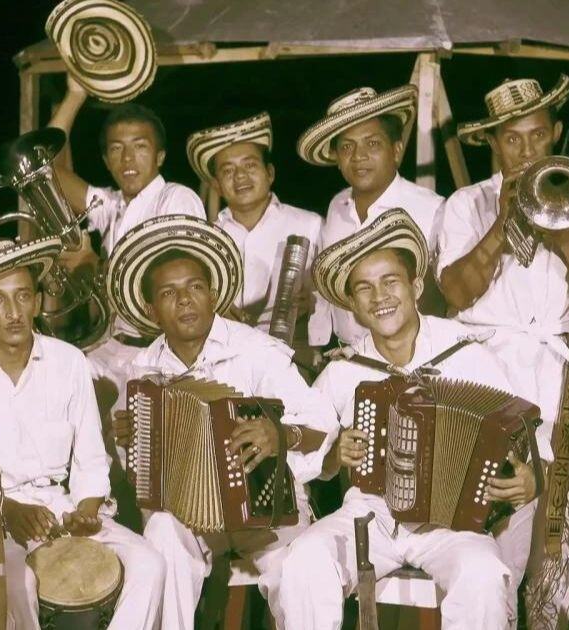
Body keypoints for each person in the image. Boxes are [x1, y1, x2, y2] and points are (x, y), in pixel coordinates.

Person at [267, 209, 536, 629]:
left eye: (390, 281)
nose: (380, 297)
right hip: (370, 518)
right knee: (303, 559)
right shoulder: (344, 369)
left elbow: (525, 441)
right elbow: (303, 451)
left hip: (451, 523)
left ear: (415, 286)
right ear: (353, 307)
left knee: (483, 575)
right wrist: (336, 454)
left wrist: (528, 478)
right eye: (364, 289)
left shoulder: (467, 354)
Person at [102, 214, 336, 629]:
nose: (186, 300)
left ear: (212, 295)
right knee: (161, 532)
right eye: (169, 293)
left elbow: (321, 421)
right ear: (152, 309)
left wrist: (280, 433)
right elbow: (141, 473)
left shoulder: (257, 350)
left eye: (195, 287)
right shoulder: (143, 368)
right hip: (191, 511)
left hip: (266, 507)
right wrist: (133, 440)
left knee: (300, 568)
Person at [0, 237, 165, 630]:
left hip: (62, 508)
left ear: (37, 301)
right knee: (18, 583)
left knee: (150, 564)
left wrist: (86, 512)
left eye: (23, 296)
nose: (14, 312)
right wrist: (7, 510)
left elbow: (90, 459)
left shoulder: (68, 361)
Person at [438, 76, 569, 627]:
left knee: (561, 531)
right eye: (512, 140)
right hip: (488, 376)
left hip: (559, 381)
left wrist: (559, 224)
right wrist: (502, 228)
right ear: (494, 143)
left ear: (556, 134)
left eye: (536, 137)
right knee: (495, 518)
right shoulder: (465, 203)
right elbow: (452, 293)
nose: (526, 151)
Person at [46, 77, 206, 405]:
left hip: (160, 354)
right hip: (112, 348)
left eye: (140, 146)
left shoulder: (176, 198)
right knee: (55, 392)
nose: (128, 159)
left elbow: (170, 286)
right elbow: (46, 168)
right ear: (106, 160)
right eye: (117, 149)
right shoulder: (112, 204)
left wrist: (93, 264)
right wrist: (75, 95)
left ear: (160, 156)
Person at [297, 85, 445, 346]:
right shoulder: (337, 206)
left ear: (396, 150)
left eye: (373, 143)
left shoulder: (431, 210)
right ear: (337, 158)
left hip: (413, 357)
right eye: (346, 147)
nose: (359, 157)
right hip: (347, 356)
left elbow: (441, 300)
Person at [188, 113, 324, 343]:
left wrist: (314, 304)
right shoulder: (206, 240)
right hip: (226, 359)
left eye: (250, 165)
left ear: (269, 173)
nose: (240, 176)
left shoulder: (310, 225)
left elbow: (336, 300)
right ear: (217, 186)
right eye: (228, 170)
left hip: (294, 357)